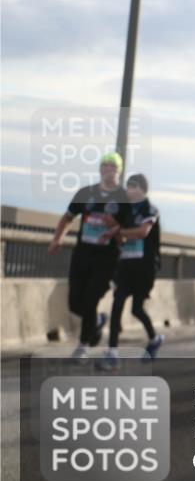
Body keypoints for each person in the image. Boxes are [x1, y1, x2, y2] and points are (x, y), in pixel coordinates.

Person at [47, 152, 130, 361]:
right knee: (75, 302)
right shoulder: (86, 193)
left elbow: (128, 235)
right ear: (100, 170)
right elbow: (67, 218)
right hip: (82, 254)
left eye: (113, 167)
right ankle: (97, 321)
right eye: (105, 166)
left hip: (107, 258)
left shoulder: (124, 199)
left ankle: (82, 346)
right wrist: (57, 239)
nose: (109, 170)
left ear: (119, 171)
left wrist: (115, 228)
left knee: (91, 298)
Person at [102, 174, 164, 369]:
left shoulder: (150, 209)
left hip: (145, 266)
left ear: (143, 190)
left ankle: (154, 339)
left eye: (134, 187)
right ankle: (112, 353)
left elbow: (143, 232)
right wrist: (112, 226)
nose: (129, 190)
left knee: (137, 308)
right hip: (126, 264)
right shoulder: (125, 211)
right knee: (117, 304)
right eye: (128, 187)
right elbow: (121, 238)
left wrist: (118, 232)